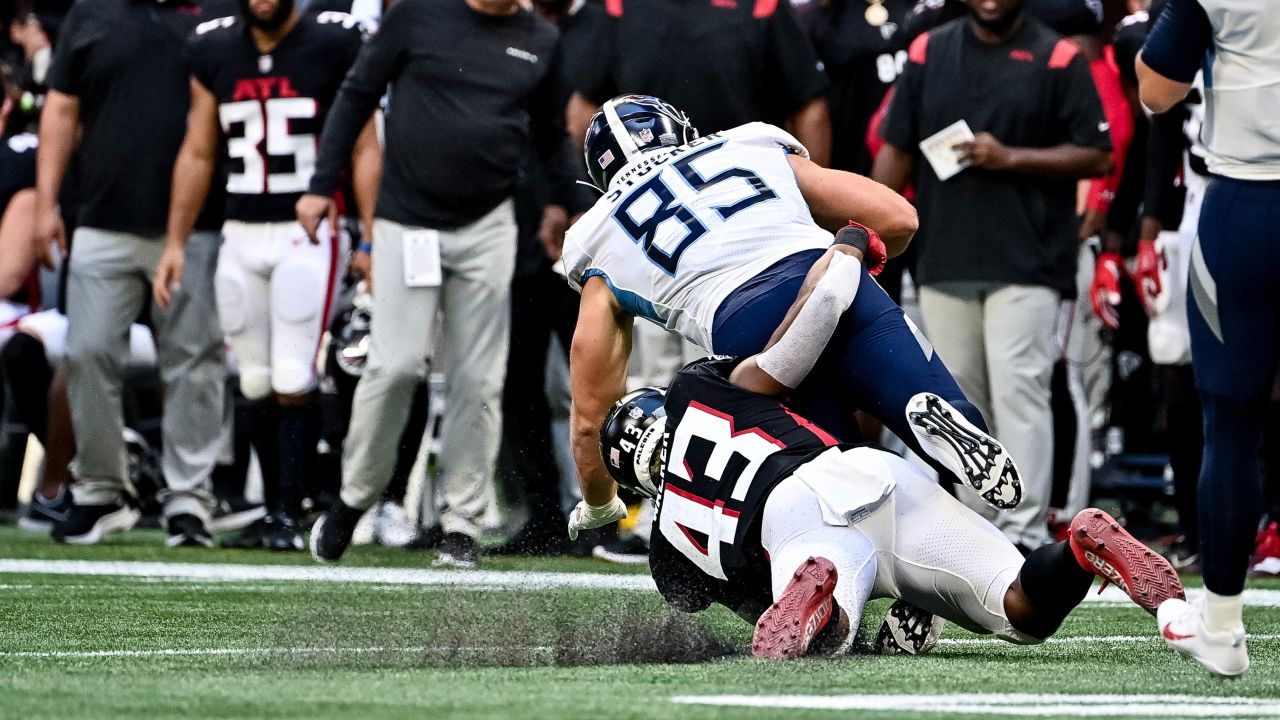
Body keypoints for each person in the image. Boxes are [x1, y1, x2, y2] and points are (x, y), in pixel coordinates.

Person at [596, 245, 1185, 658]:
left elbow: (762, 610)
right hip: (865, 473)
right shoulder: (699, 388)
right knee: (1020, 608)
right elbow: (785, 357)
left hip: (801, 530)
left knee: (824, 634)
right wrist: (842, 260)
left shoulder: (669, 552)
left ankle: (826, 583)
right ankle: (1079, 547)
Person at [559, 94, 1023, 543]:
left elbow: (591, 414)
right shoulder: (745, 143)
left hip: (745, 324)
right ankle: (945, 418)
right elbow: (897, 217)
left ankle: (918, 554)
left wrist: (600, 503)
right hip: (827, 271)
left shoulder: (598, 233)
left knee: (840, 487)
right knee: (917, 391)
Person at [302, 0, 580, 568]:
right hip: (407, 219)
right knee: (395, 365)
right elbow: (355, 97)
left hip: (488, 224)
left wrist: (563, 203)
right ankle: (355, 499)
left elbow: (550, 131)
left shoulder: (540, 39)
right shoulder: (416, 16)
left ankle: (462, 522)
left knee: (479, 379)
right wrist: (318, 184)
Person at [871, 0, 1112, 551]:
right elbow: (897, 148)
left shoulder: (1059, 56)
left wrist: (1012, 158)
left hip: (1027, 260)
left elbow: (1098, 155)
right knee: (957, 402)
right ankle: (975, 528)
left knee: (1019, 390)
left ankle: (1023, 530)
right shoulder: (929, 50)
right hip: (944, 256)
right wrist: (867, 227)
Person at [157, 0, 376, 551]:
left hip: (307, 230)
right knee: (252, 377)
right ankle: (274, 511)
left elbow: (366, 144)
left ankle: (288, 509)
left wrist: (371, 237)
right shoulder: (212, 48)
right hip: (240, 228)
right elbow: (199, 149)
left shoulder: (332, 41)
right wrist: (176, 242)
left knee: (292, 373)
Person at [32, 0, 235, 547]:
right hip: (103, 215)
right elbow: (60, 109)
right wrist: (46, 201)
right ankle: (101, 489)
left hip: (198, 221)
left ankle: (189, 499)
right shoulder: (89, 12)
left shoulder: (221, 12)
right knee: (87, 350)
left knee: (193, 359)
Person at [1136, 0, 1280, 678]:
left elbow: (1157, 90)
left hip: (1246, 208)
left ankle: (1221, 626)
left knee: (1232, 424)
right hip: (1243, 202)